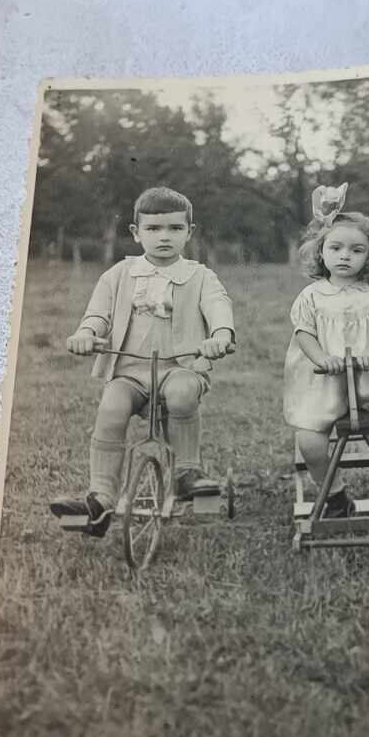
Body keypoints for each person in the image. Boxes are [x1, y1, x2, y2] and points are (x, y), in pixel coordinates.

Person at [50, 185, 235, 537]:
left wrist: (221, 336)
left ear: (189, 233)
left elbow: (218, 306)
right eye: (153, 229)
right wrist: (86, 334)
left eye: (175, 229)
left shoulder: (199, 276)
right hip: (129, 371)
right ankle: (101, 498)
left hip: (180, 367)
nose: (164, 237)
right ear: (136, 233)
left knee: (181, 394)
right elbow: (97, 315)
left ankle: (186, 474)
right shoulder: (118, 275)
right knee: (111, 407)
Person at [283, 183, 369, 518]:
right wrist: (322, 360)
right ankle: (335, 496)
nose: (345, 255)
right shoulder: (311, 296)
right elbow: (305, 335)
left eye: (356, 250)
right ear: (321, 252)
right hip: (323, 381)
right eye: (337, 248)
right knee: (310, 444)